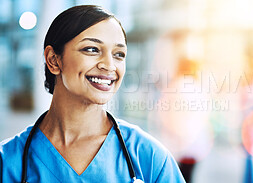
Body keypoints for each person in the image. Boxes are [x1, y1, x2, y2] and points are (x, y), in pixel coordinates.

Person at [0, 5, 185, 183]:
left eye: (119, 54)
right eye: (92, 49)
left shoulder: (149, 158)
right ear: (53, 60)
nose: (109, 65)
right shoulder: (7, 162)